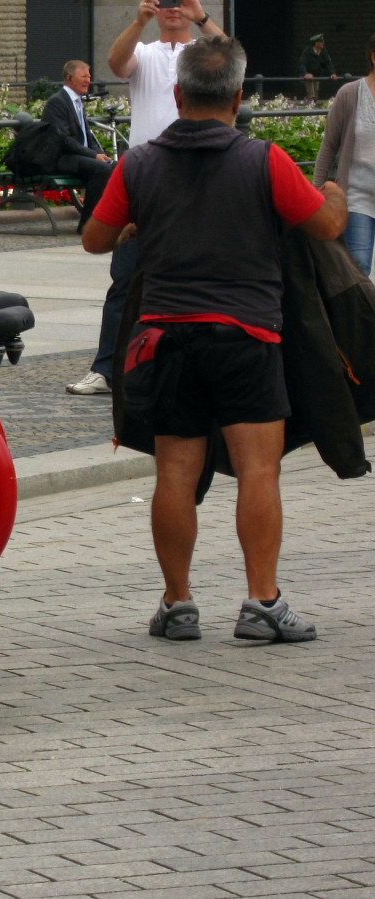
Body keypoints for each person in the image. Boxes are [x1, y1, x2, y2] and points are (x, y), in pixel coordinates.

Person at [80, 36, 347, 643]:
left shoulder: (139, 163)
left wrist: (132, 225)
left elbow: (94, 240)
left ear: (177, 95)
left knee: (175, 473)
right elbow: (327, 226)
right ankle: (262, 603)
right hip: (246, 335)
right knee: (258, 470)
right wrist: (333, 193)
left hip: (165, 337)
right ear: (238, 98)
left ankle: (178, 605)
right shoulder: (265, 160)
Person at [67, 0, 225, 396]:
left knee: (193, 278)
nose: (173, 8)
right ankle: (106, 368)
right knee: (125, 278)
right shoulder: (144, 52)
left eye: (179, 2)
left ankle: (187, 367)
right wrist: (139, 21)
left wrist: (201, 16)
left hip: (194, 180)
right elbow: (116, 63)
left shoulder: (201, 53)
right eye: (165, 2)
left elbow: (231, 58)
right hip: (144, 181)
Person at [313, 32, 375, 276]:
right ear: (373, 57)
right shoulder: (350, 94)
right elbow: (329, 146)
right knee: (358, 268)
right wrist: (316, 194)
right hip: (358, 196)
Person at [41, 60, 116, 229]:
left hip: (78, 157)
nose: (88, 80)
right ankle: (88, 224)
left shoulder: (78, 102)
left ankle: (108, 221)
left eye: (89, 76)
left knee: (115, 166)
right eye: (83, 76)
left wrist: (100, 153)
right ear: (69, 78)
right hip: (61, 158)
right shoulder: (57, 102)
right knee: (101, 169)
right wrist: (93, 156)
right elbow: (63, 140)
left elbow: (87, 135)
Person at [299, 34, 335, 102]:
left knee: (316, 92)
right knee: (311, 93)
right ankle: (310, 102)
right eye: (321, 42)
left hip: (317, 75)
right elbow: (302, 64)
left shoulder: (323, 51)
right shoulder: (307, 51)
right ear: (316, 43)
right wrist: (305, 73)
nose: (323, 43)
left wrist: (332, 73)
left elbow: (328, 63)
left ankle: (314, 102)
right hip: (308, 75)